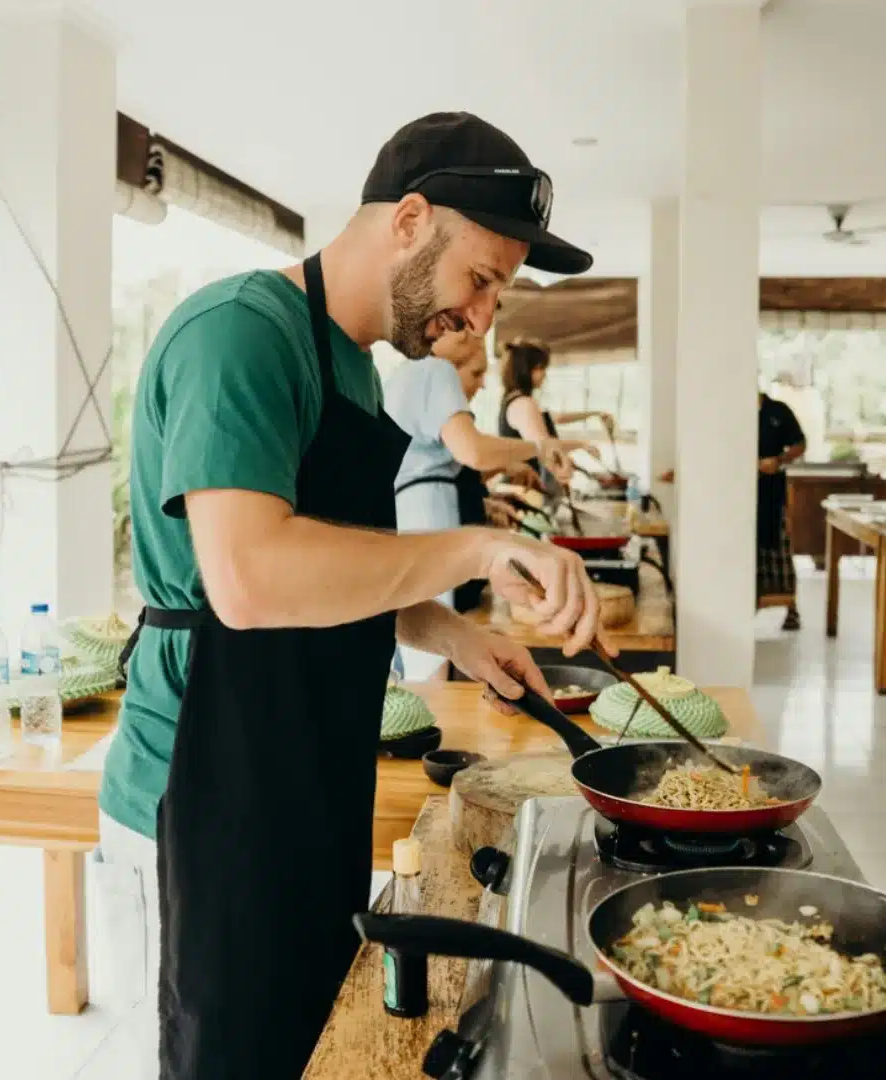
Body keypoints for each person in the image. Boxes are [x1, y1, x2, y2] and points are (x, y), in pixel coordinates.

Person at [95, 111, 601, 1080]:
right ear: (409, 220)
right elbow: (249, 579)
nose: (485, 317)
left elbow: (339, 568)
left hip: (305, 784)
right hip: (197, 803)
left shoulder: (355, 373)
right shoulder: (241, 335)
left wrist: (452, 633)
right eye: (483, 278)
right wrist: (482, 546)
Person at [386, 330, 586, 677]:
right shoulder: (436, 369)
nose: (472, 334)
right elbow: (473, 451)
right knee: (436, 645)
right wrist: (541, 446)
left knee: (420, 637)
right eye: (462, 327)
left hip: (406, 508)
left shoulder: (402, 373)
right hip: (429, 505)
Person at [496, 337, 614, 495]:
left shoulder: (514, 399)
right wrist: (582, 444)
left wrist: (594, 414)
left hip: (525, 485)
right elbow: (544, 447)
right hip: (527, 487)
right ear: (525, 370)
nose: (545, 374)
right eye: (541, 368)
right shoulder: (524, 403)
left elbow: (556, 418)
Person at [757, 389, 808, 630]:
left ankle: (791, 608)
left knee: (778, 549)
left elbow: (800, 443)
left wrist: (778, 461)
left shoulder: (778, 411)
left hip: (773, 493)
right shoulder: (732, 412)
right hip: (739, 495)